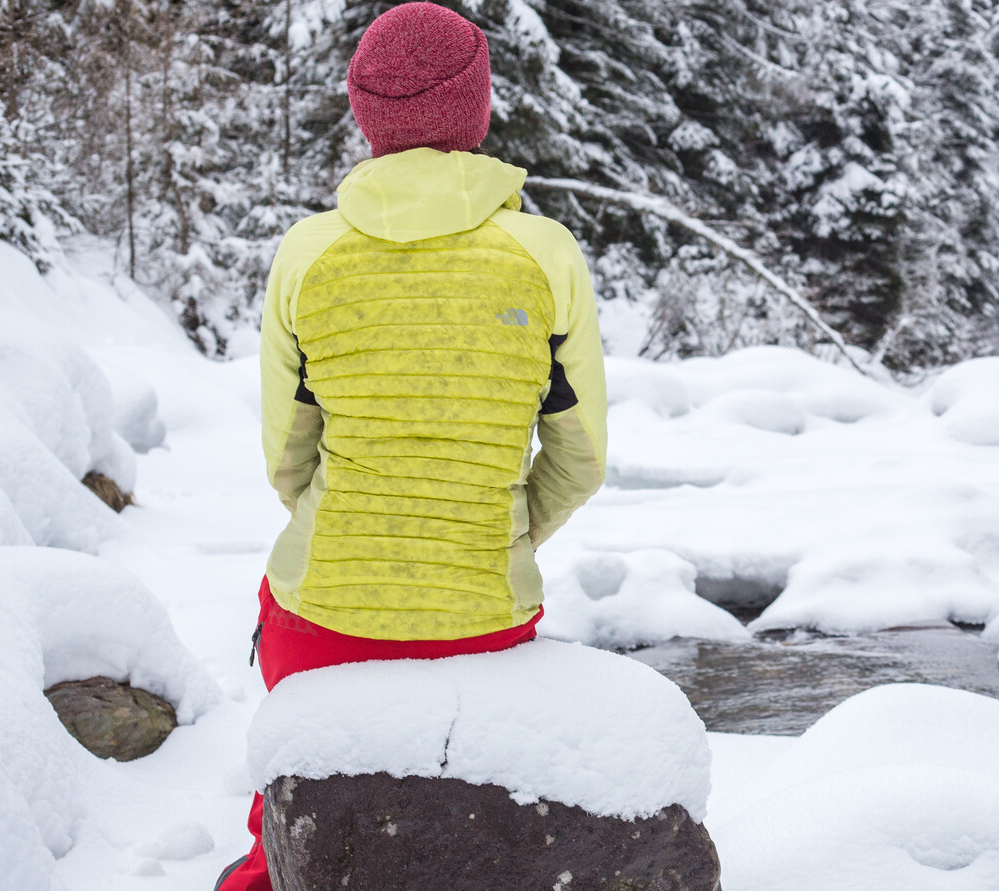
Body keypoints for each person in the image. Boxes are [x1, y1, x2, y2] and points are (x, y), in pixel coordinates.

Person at [214, 4, 608, 888]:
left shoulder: (307, 255)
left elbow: (287, 453)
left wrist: (363, 523)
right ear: (478, 108)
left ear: (367, 116)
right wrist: (497, 533)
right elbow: (580, 456)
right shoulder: (544, 254)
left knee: (289, 827)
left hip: (321, 612)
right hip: (482, 614)